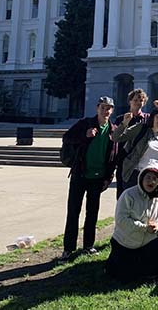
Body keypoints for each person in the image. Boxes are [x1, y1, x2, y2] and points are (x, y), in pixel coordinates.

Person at [60, 96, 118, 261]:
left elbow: (113, 157)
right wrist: (85, 136)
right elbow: (67, 138)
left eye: (108, 108)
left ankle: (88, 245)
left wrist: (108, 176)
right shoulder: (85, 123)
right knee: (73, 212)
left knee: (92, 213)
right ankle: (68, 248)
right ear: (97, 108)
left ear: (112, 110)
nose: (105, 111)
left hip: (98, 178)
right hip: (80, 174)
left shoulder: (113, 129)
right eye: (103, 107)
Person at [107, 165, 158, 283]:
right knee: (122, 275)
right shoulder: (128, 195)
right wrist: (144, 227)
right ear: (141, 179)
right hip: (126, 242)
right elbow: (121, 220)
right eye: (148, 178)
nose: (151, 182)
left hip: (148, 240)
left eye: (154, 178)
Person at [112, 104, 158, 195]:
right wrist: (124, 123)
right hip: (135, 174)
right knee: (132, 205)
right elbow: (116, 138)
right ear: (152, 117)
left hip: (153, 177)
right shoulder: (141, 128)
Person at [113, 89, 149, 198]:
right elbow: (114, 138)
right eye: (135, 99)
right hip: (124, 161)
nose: (138, 102)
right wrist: (124, 123)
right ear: (130, 101)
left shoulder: (147, 119)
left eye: (141, 100)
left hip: (141, 161)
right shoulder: (120, 119)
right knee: (123, 194)